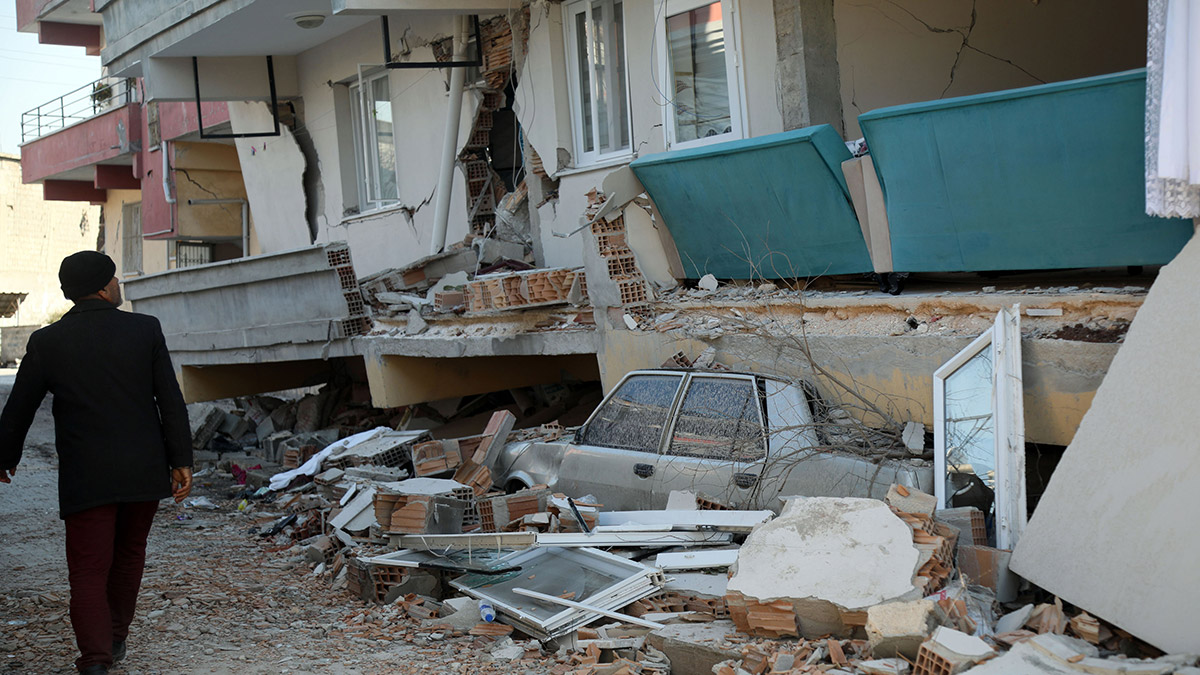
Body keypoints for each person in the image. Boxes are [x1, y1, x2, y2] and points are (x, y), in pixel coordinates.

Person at [0, 251, 193, 675]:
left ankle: (95, 660)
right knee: (129, 555)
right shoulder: (145, 330)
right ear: (105, 287)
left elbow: (19, 409)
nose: (119, 284)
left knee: (87, 568)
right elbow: (170, 400)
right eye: (116, 279)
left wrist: (4, 457)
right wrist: (181, 459)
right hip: (143, 469)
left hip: (85, 475)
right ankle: (116, 636)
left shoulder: (48, 342)